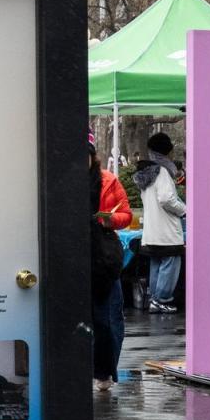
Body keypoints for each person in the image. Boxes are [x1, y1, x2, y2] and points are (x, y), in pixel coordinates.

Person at [91, 137, 132, 392]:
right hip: (74, 256)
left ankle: (105, 373)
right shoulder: (63, 179)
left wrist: (109, 220)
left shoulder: (109, 180)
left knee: (108, 319)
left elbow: (126, 215)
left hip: (104, 259)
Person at [133, 132, 186, 314]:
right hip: (167, 231)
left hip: (152, 231)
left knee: (156, 264)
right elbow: (166, 199)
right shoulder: (162, 171)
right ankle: (162, 299)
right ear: (168, 152)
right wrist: (185, 210)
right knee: (170, 264)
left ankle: (154, 298)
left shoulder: (146, 173)